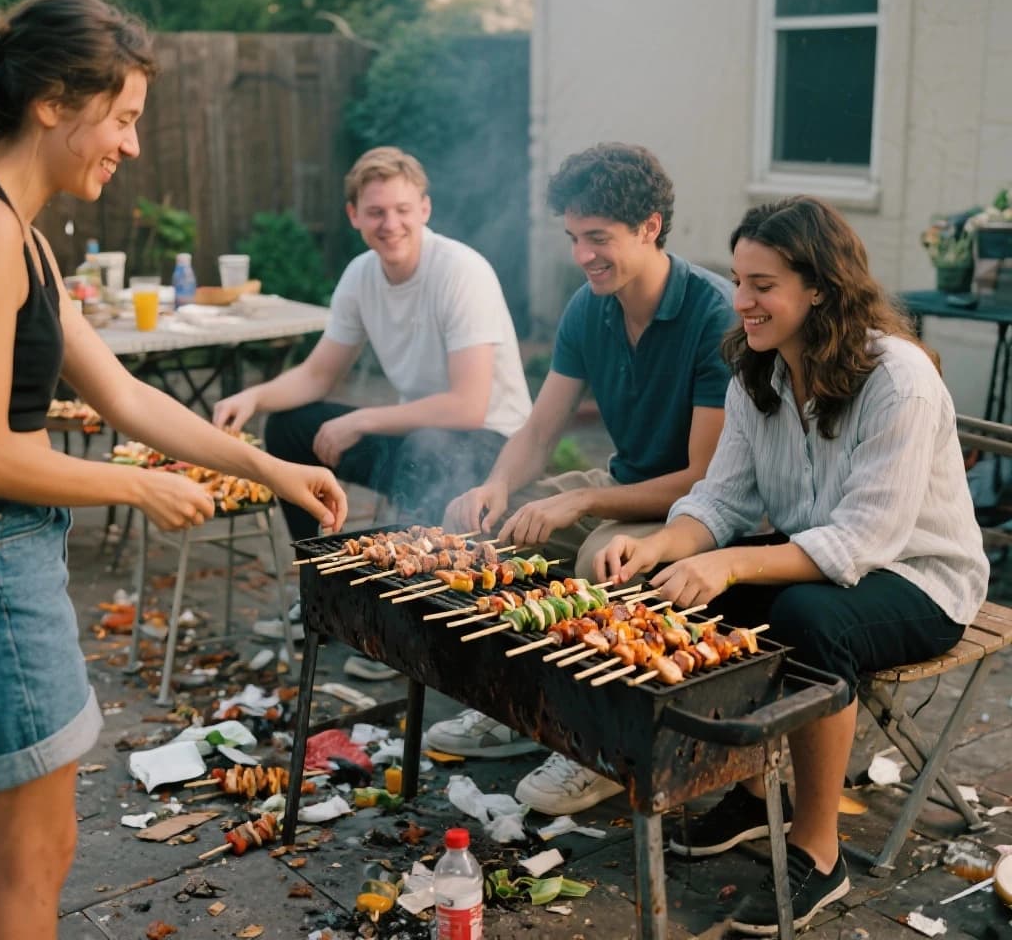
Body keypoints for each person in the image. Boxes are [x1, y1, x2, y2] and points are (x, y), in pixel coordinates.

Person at [0, 0, 348, 940]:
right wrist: (135, 484)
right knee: (31, 858)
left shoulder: (24, 237)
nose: (134, 146)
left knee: (26, 851)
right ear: (54, 102)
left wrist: (268, 468)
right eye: (124, 118)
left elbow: (129, 397)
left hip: (13, 564)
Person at [596, 196, 989, 935]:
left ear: (819, 288)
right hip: (818, 557)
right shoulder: (758, 371)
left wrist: (732, 565)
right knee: (687, 594)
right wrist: (659, 547)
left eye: (763, 285)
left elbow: (865, 539)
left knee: (806, 618)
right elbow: (722, 499)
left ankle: (819, 850)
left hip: (922, 578)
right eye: (738, 281)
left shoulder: (896, 379)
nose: (741, 301)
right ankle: (756, 793)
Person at [433, 142, 736, 814]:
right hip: (627, 485)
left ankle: (599, 747)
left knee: (601, 555)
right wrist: (497, 486)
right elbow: (540, 432)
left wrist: (584, 498)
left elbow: (703, 480)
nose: (582, 255)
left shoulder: (712, 316)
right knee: (501, 528)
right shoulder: (587, 307)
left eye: (597, 238)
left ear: (650, 226)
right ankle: (513, 704)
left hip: (698, 510)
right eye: (573, 238)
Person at [214, 145, 531, 678]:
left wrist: (361, 419)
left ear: (424, 209)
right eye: (376, 212)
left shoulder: (460, 271)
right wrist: (254, 397)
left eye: (403, 209)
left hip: (493, 446)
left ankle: (402, 625)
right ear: (354, 216)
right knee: (290, 428)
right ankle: (320, 594)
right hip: (418, 435)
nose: (391, 224)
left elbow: (469, 404)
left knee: (423, 447)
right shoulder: (361, 276)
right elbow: (317, 375)